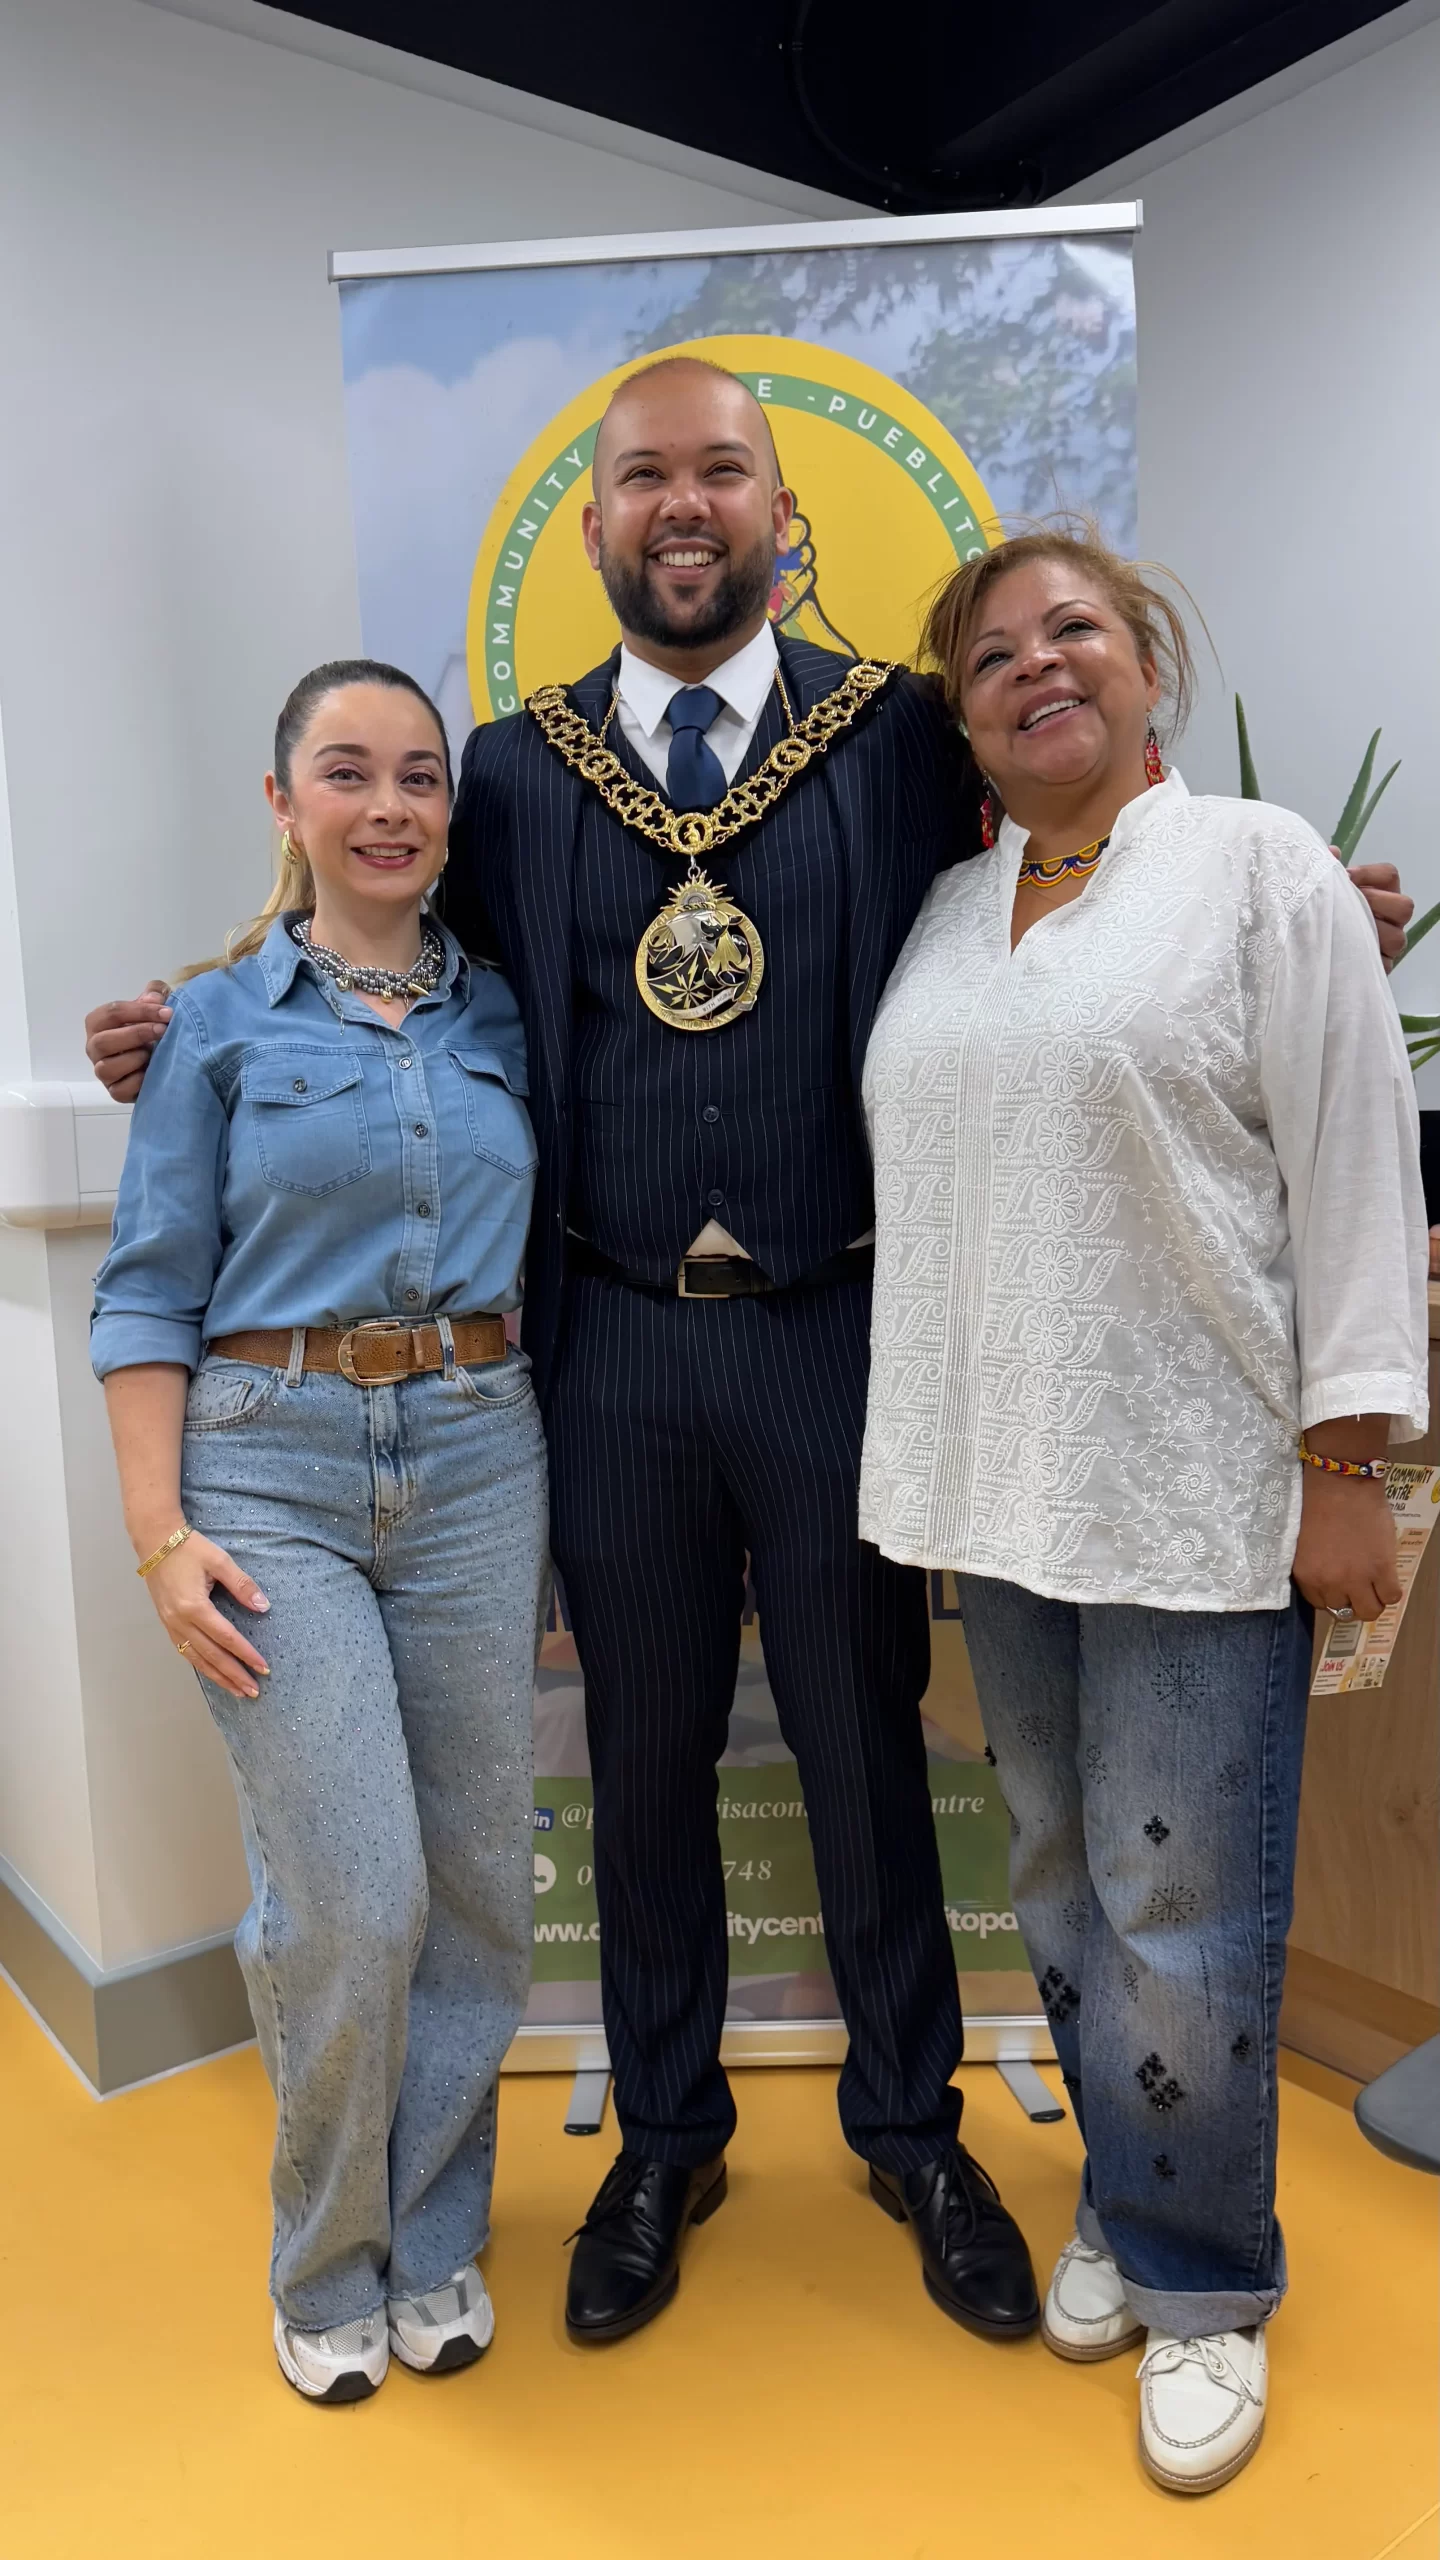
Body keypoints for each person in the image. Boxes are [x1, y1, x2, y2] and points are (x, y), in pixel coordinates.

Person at [84, 363, 1413, 2357]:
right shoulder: (520, 772)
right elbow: (380, 929)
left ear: (787, 522)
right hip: (609, 1338)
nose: (681, 504)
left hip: (840, 1328)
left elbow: (1090, 864)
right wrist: (190, 1005)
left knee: (869, 1747)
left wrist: (1320, 918)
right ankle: (665, 2136)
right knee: (637, 1760)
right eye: (643, 478)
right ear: (598, 528)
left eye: (722, 473)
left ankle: (911, 2125)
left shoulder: (890, 740)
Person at [857, 529, 1429, 2492]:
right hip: (1010, 1495)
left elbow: (1354, 1160)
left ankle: (1202, 2283)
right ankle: (1123, 2186)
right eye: (994, 656)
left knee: (1189, 1907)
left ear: (1148, 660)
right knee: (1068, 1888)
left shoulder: (1263, 871)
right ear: (964, 714)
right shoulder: (946, 910)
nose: (1037, 670)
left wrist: (1346, 1460)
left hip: (1198, 1490)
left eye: (1072, 632)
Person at [91, 660, 548, 2404]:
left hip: (483, 1455)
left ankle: (431, 2233)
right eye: (345, 773)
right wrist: (158, 1534)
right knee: (350, 1896)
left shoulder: (502, 1014)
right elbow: (143, 1295)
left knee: (482, 1889)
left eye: (420, 776)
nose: (389, 806)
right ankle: (325, 2252)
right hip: (268, 1464)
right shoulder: (212, 1024)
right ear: (283, 804)